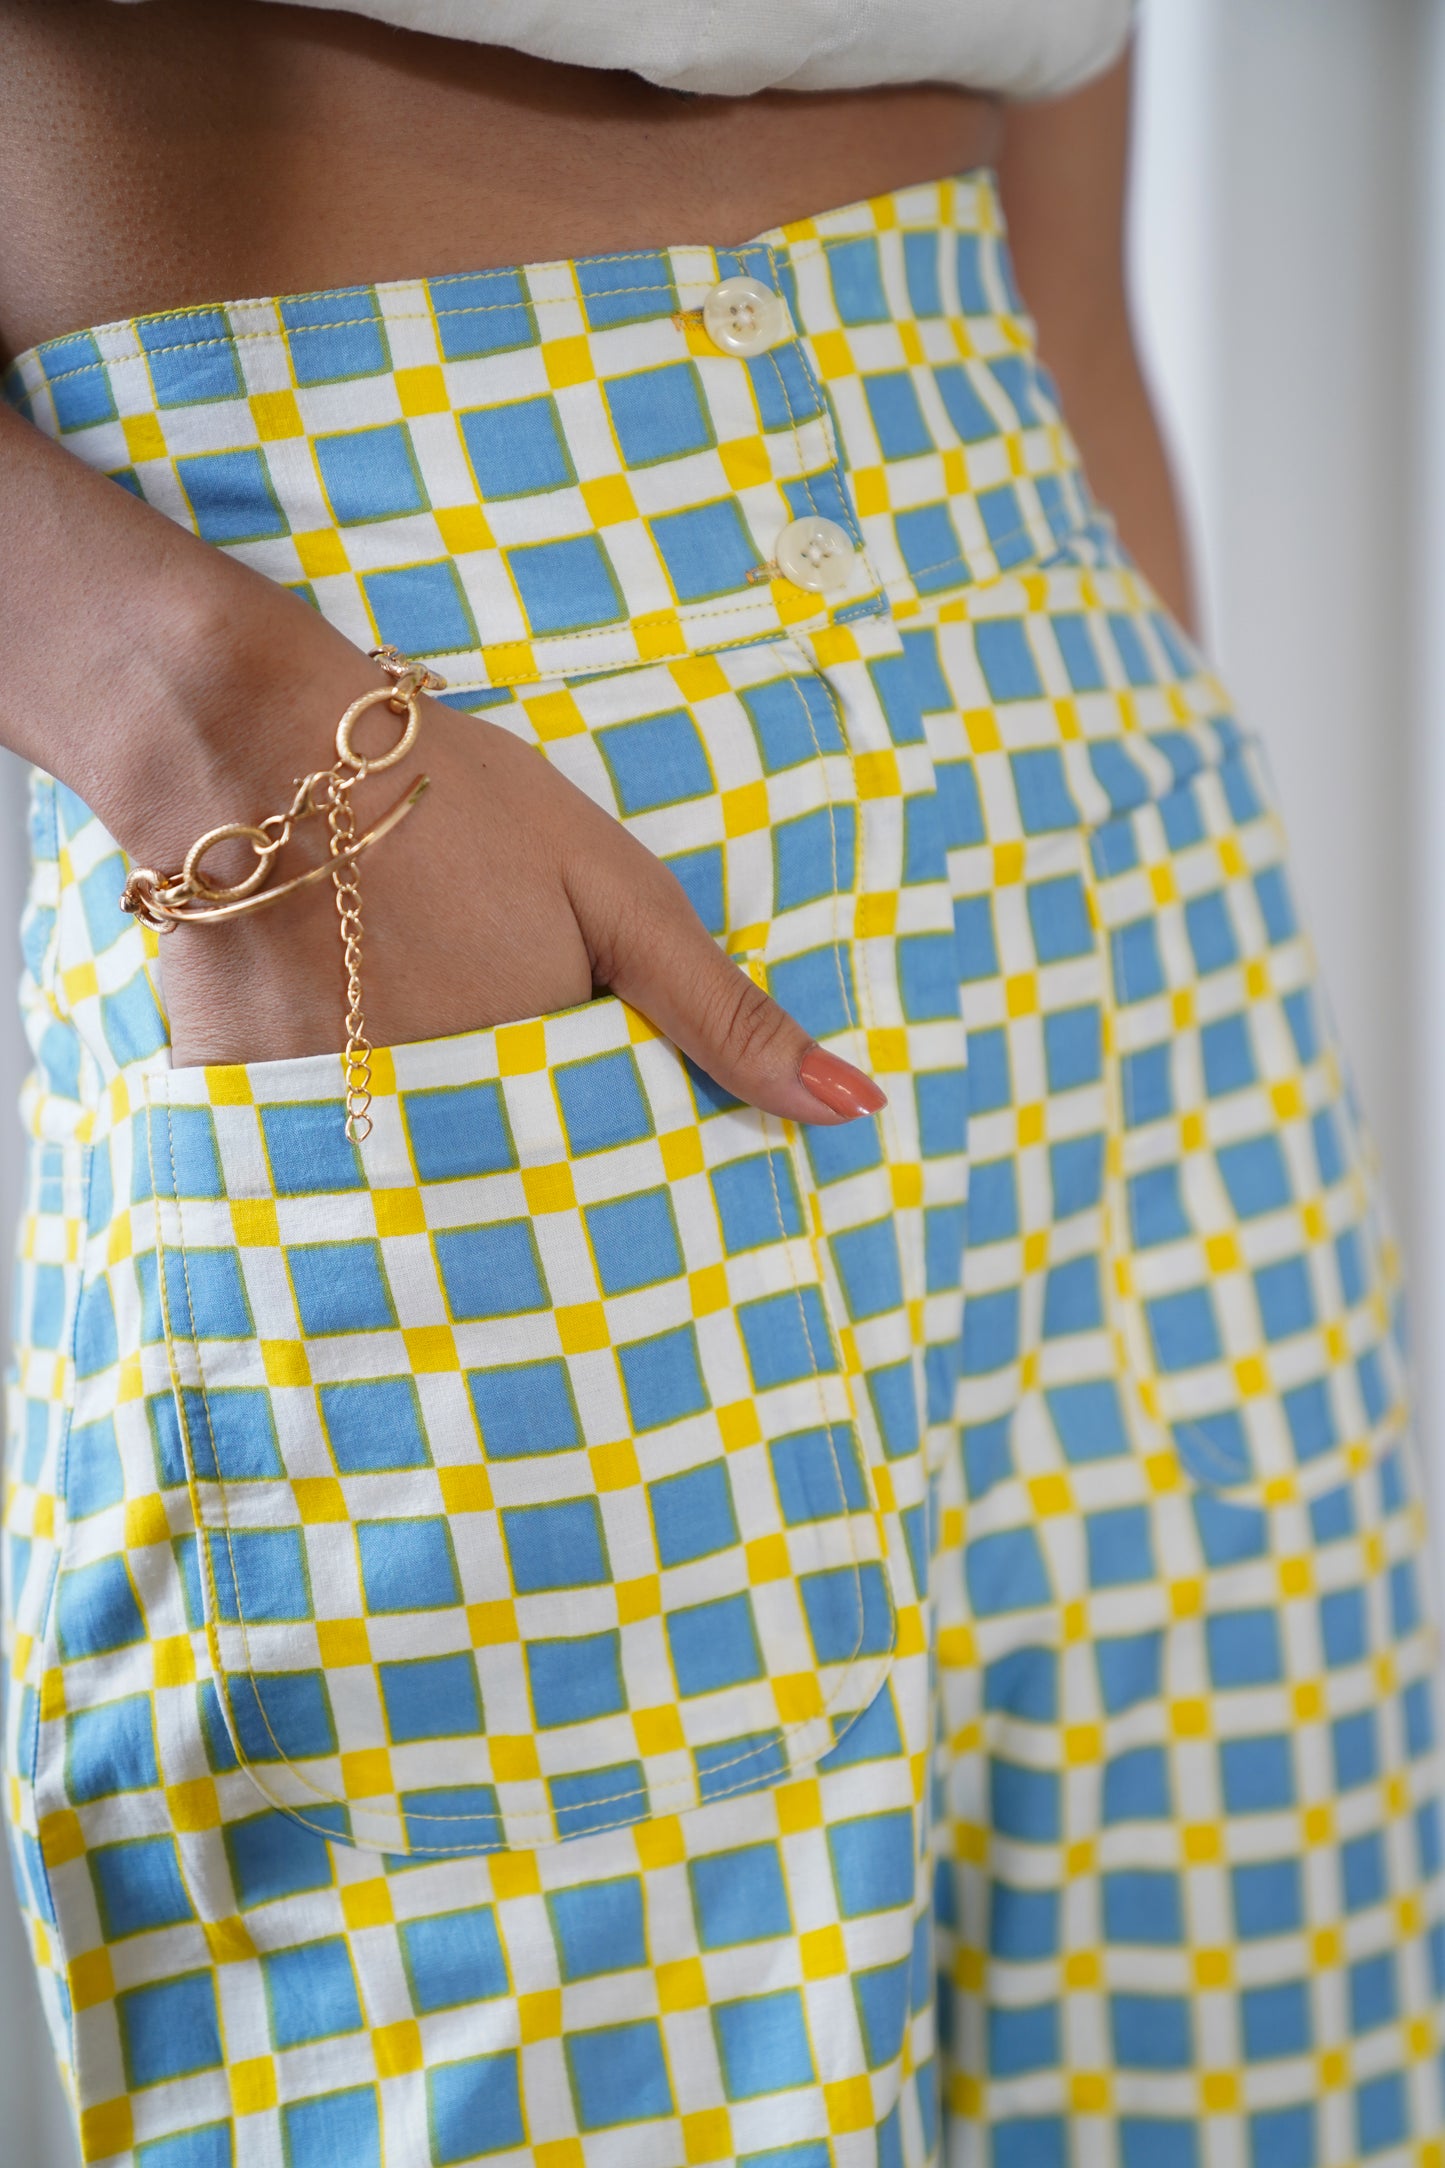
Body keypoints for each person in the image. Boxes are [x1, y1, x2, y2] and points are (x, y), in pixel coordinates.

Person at [2, 3, 1441, 2163]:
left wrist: (1158, 755)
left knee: (1248, 2073)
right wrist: (188, 698)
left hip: (1080, 759)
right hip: (418, 729)